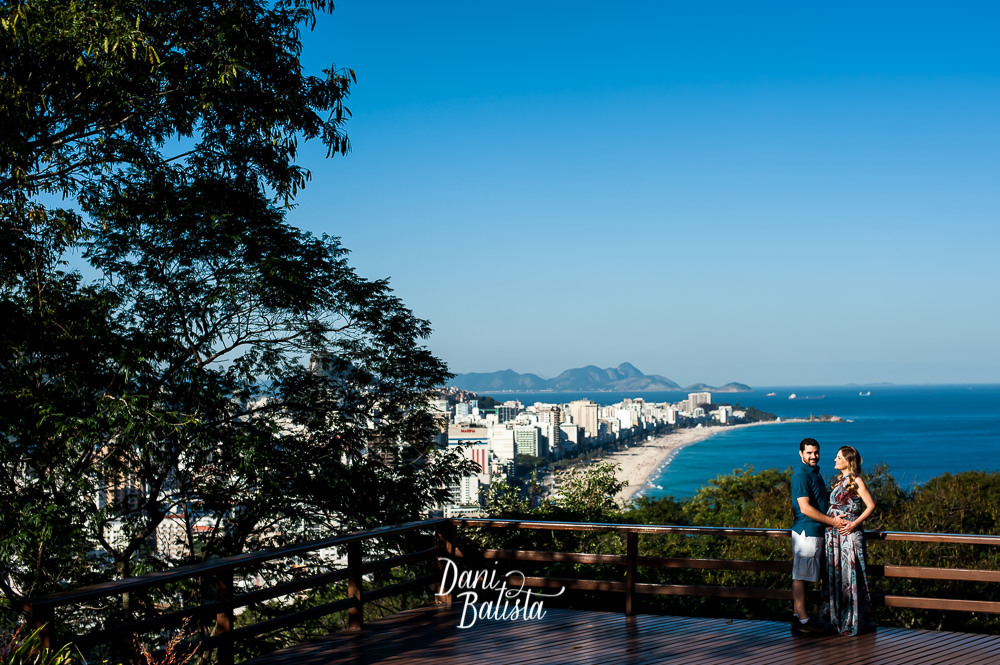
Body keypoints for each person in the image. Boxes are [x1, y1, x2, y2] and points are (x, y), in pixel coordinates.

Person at [790, 437, 845, 635]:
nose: (813, 456)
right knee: (801, 577)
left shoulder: (814, 474)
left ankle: (799, 617)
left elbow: (821, 499)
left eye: (816, 452)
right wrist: (834, 522)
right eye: (809, 453)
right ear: (801, 454)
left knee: (804, 575)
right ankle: (803, 620)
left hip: (815, 531)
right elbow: (805, 508)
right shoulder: (801, 476)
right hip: (807, 531)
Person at [821, 445, 877, 635]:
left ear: (848, 461)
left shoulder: (856, 481)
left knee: (851, 576)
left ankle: (853, 620)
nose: (835, 460)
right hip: (835, 536)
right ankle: (837, 618)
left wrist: (854, 524)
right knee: (837, 576)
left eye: (838, 457)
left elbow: (870, 506)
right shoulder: (840, 481)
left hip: (849, 535)